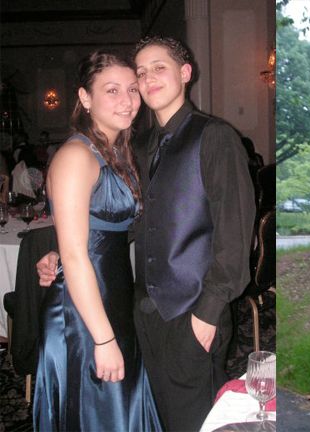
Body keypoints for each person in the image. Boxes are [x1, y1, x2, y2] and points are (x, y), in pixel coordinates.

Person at [38, 36, 255, 431]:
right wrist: (62, 251)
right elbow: (128, 224)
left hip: (192, 312)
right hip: (139, 314)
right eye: (141, 72)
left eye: (159, 67)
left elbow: (236, 237)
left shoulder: (215, 137)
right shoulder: (136, 147)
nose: (147, 79)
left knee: (197, 420)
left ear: (185, 73)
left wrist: (208, 313)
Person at [33, 51, 162, 431]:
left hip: (111, 297)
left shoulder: (118, 151)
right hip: (83, 311)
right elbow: (75, 256)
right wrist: (103, 340)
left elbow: (92, 233)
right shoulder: (76, 155)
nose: (128, 101)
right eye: (112, 90)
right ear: (85, 98)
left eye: (133, 90)